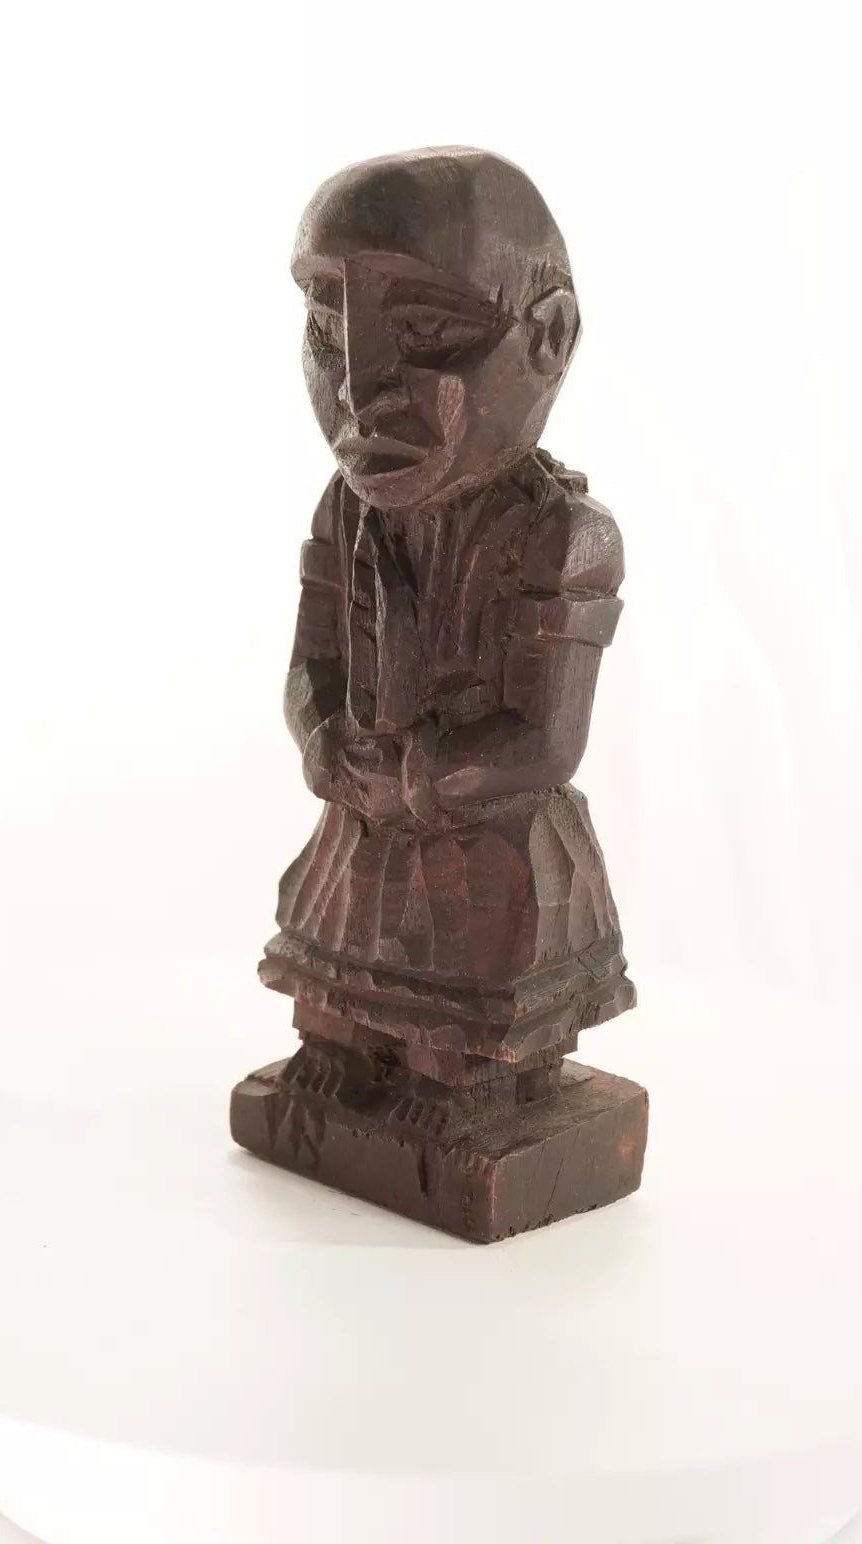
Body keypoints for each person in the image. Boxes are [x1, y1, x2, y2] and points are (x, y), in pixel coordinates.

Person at [260, 147, 633, 1096]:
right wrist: (323, 739)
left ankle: (463, 1095)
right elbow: (311, 665)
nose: (360, 387)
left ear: (549, 336)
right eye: (326, 325)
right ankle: (340, 1063)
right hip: (365, 819)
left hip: (482, 843)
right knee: (332, 1006)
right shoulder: (344, 510)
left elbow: (546, 742)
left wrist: (416, 778)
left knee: (460, 1038)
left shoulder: (563, 538)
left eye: (425, 329)